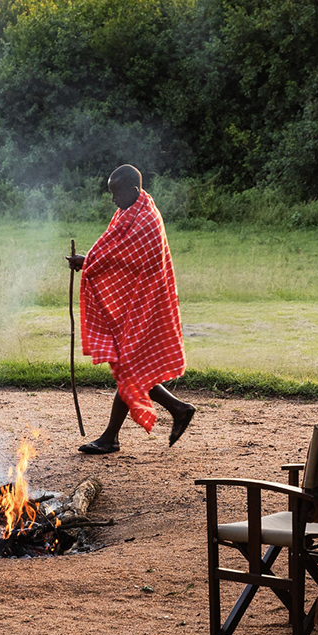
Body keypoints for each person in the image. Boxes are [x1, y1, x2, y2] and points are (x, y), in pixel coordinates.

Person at [68, 164, 195, 454]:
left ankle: (113, 437)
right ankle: (177, 409)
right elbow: (115, 254)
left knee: (130, 366)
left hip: (148, 303)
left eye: (116, 193)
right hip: (135, 302)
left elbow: (128, 260)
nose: (113, 200)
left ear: (133, 190)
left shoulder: (146, 219)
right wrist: (88, 261)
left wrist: (89, 262)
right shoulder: (127, 213)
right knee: (131, 366)